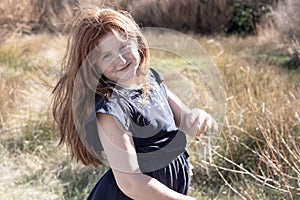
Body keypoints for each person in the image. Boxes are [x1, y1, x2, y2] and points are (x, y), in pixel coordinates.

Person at [52, 6, 217, 200]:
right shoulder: (110, 111)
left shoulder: (152, 81)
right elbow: (130, 183)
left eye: (124, 47)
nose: (121, 59)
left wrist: (199, 116)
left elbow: (187, 122)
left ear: (136, 43)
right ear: (94, 66)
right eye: (107, 56)